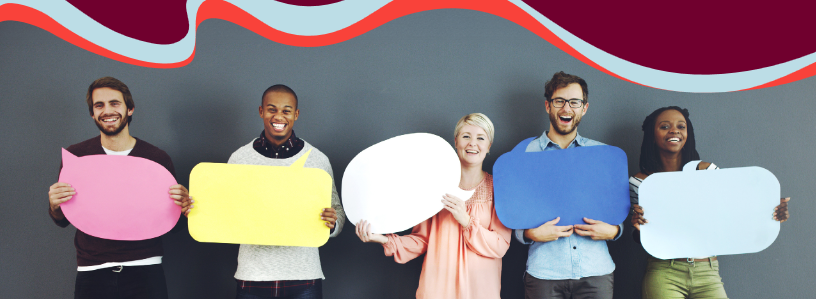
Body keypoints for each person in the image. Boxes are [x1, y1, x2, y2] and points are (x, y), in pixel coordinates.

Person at [47, 76, 192, 299]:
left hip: (145, 269)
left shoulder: (156, 158)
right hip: (92, 271)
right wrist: (54, 205)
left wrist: (185, 209)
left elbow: (172, 225)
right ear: (92, 113)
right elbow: (64, 219)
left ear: (130, 109)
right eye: (99, 105)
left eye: (115, 103)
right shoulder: (77, 156)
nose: (107, 110)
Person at [629, 106, 790, 299]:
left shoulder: (706, 171)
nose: (674, 131)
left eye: (681, 126)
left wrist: (769, 210)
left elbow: (731, 212)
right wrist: (639, 227)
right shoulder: (640, 182)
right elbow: (643, 239)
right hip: (664, 271)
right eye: (665, 126)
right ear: (652, 135)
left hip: (707, 270)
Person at [356, 113, 512, 299]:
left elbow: (500, 246)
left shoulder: (499, 190)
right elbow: (421, 240)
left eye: (480, 138)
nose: (472, 143)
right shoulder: (436, 188)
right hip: (437, 290)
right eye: (466, 136)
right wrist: (383, 239)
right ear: (455, 141)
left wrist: (467, 221)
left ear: (489, 146)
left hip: (480, 291)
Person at [227, 84, 345, 299]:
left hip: (304, 276)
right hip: (253, 275)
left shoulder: (317, 159)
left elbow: (337, 210)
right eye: (272, 109)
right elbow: (226, 210)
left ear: (296, 114)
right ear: (261, 111)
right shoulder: (239, 158)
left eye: (286, 110)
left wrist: (332, 223)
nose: (278, 116)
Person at [515, 71, 621, 299]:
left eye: (574, 102)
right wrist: (529, 233)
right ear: (548, 106)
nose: (566, 108)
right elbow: (512, 208)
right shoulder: (524, 154)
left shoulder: (602, 154)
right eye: (559, 101)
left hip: (596, 271)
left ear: (584, 108)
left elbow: (618, 207)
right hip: (544, 271)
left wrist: (614, 231)